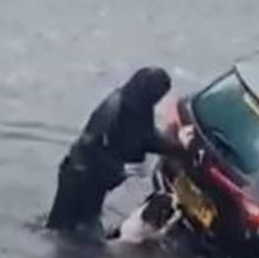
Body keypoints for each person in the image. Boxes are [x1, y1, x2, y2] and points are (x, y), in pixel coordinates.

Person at [46, 67, 192, 237]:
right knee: (63, 231)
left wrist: (178, 145)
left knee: (79, 226)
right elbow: (95, 145)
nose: (157, 102)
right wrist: (117, 171)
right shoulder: (118, 110)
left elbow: (147, 137)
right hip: (81, 178)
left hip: (89, 177)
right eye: (157, 97)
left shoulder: (136, 104)